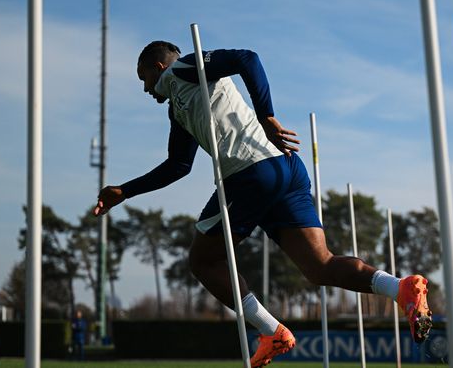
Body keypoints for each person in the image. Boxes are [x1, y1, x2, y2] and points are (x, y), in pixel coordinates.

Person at [93, 41, 432, 367]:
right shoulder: (177, 108)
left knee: (203, 260)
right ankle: (400, 288)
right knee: (319, 266)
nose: (146, 90)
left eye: (144, 79)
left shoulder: (184, 68)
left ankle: (273, 332)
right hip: (284, 168)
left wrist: (267, 115)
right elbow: (178, 166)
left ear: (159, 67)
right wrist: (124, 191)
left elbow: (247, 58)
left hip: (250, 172)